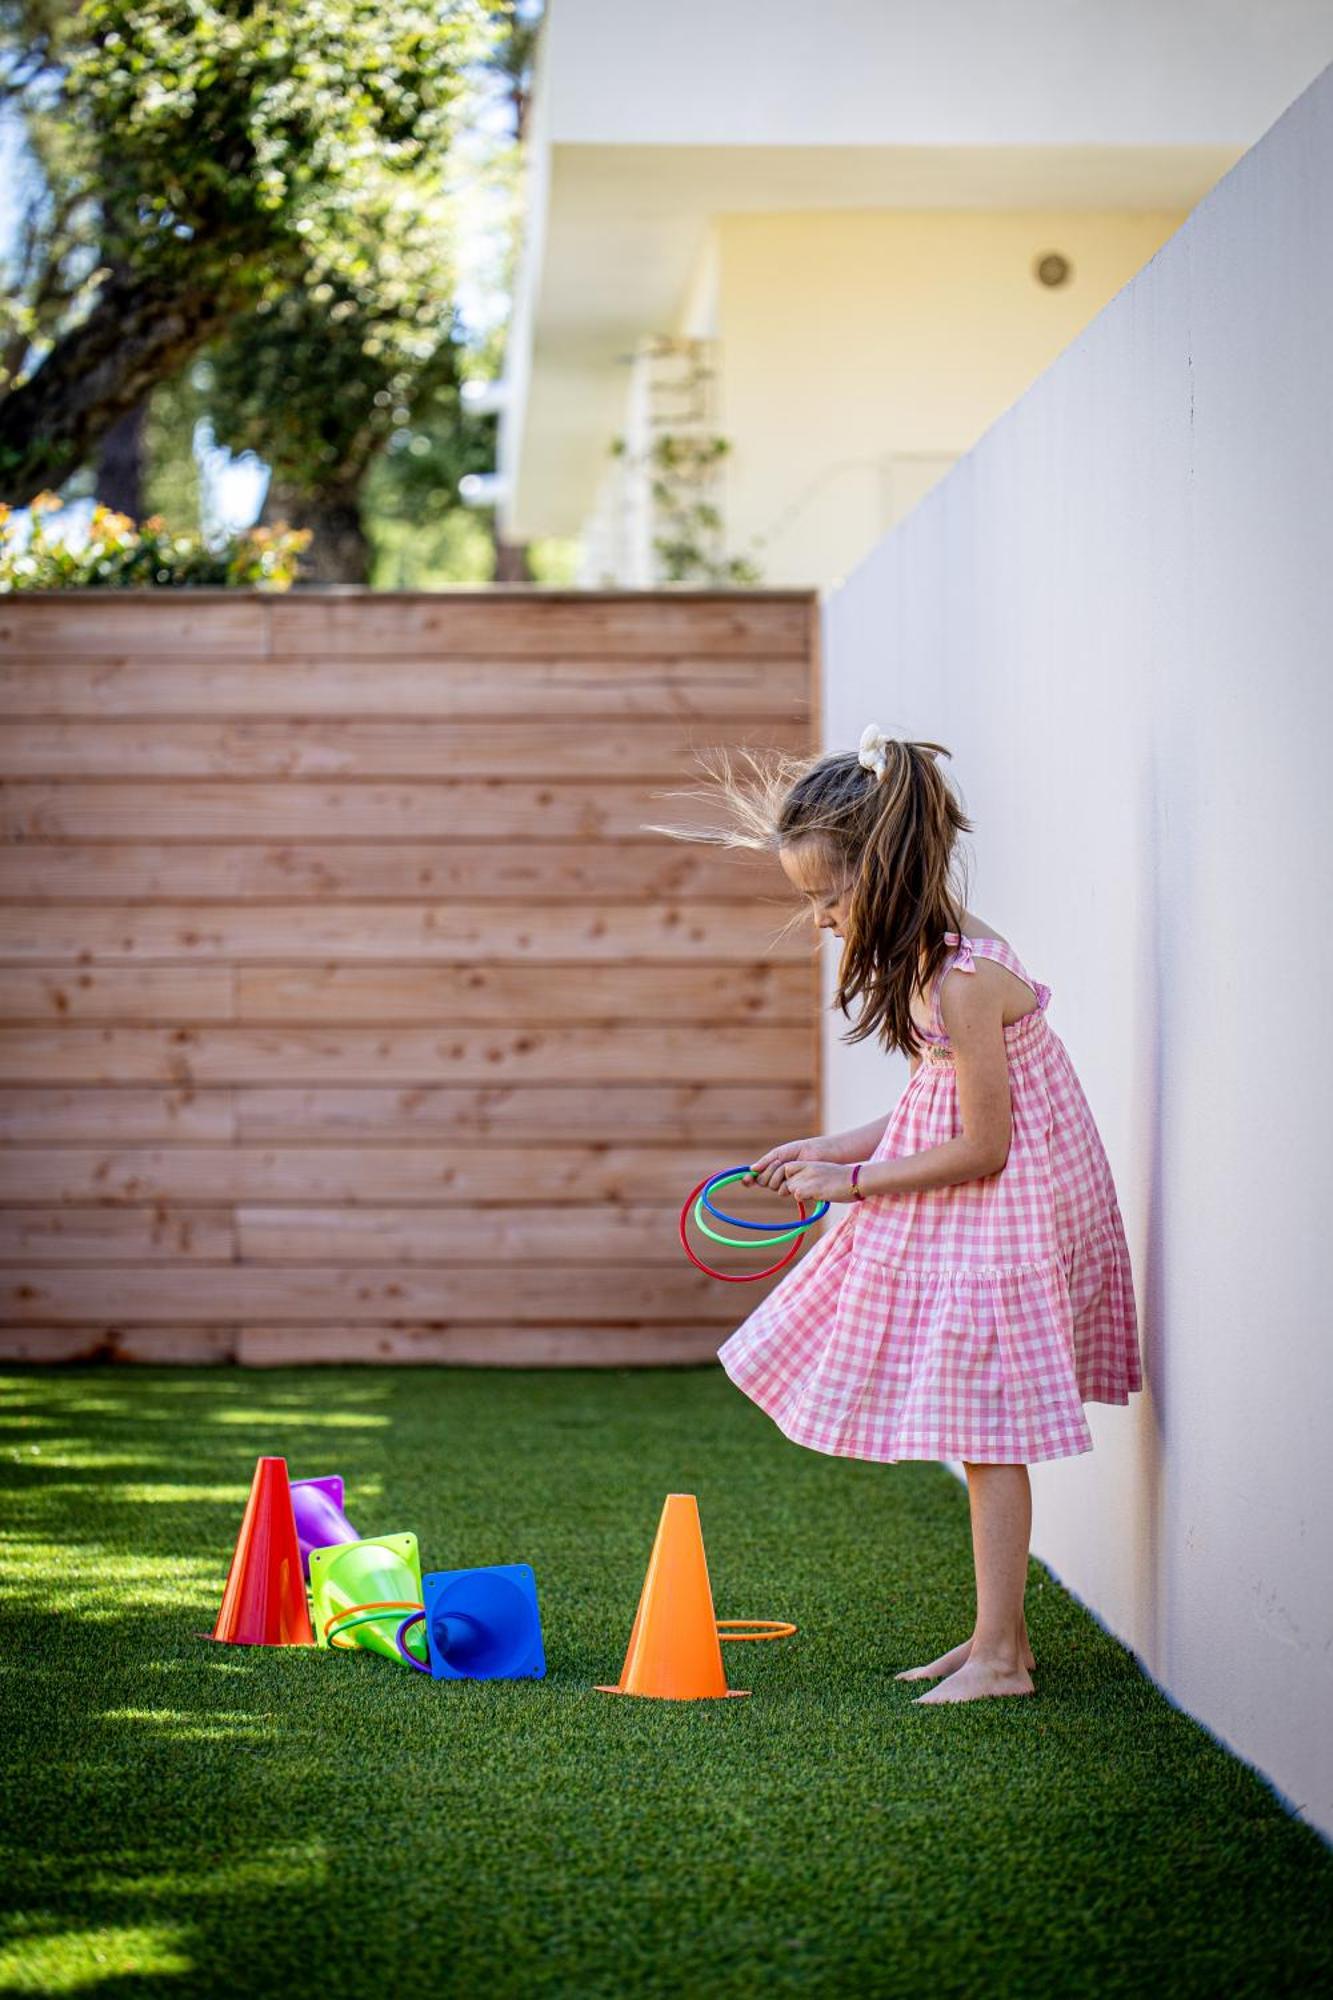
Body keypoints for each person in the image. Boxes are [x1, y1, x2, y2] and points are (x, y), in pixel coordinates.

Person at [645, 724, 1143, 1705]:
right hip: (978, 1214)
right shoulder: (930, 970)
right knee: (977, 1424)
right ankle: (995, 1636)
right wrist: (839, 1146)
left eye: (829, 895)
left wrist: (855, 1186)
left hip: (1006, 1217)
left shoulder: (964, 979)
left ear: (887, 869)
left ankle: (1002, 1658)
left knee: (991, 1430)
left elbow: (986, 1144)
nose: (822, 917)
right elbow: (934, 1104)